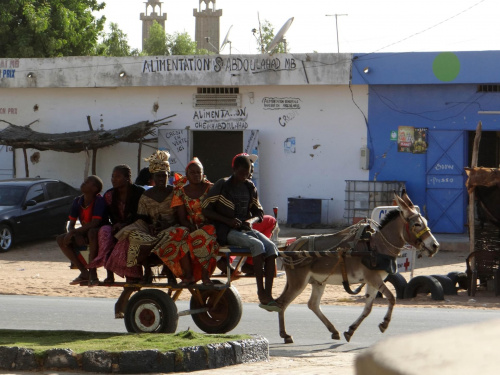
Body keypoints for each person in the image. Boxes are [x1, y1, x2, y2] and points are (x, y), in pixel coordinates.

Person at [202, 153, 281, 312]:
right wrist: (227, 220)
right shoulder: (222, 185)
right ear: (234, 169)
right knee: (257, 245)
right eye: (242, 173)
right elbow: (206, 209)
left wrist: (249, 221)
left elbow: (259, 213)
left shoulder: (250, 187)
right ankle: (261, 293)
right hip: (225, 231)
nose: (245, 176)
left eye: (248, 173)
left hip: (245, 229)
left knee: (271, 248)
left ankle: (268, 294)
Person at [87, 165, 145, 284]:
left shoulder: (139, 193)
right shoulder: (109, 195)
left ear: (127, 178)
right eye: (112, 176)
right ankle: (109, 274)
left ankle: (132, 273)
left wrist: (125, 224)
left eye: (117, 176)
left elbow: (142, 214)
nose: (113, 179)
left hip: (135, 225)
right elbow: (104, 217)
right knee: (104, 231)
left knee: (129, 235)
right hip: (116, 226)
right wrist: (112, 226)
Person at [167, 157, 219, 286]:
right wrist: (190, 226)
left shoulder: (211, 188)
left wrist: (204, 224)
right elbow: (182, 218)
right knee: (179, 234)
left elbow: (218, 210)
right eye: (193, 172)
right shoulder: (180, 192)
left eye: (198, 172)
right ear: (187, 175)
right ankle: (188, 275)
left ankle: (205, 276)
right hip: (190, 225)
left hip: (209, 224)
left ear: (203, 174)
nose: (196, 175)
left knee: (205, 233)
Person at [57, 175, 108, 285]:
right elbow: (71, 224)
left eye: (87, 182)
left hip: (98, 233)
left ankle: (93, 272)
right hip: (83, 233)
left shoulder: (99, 201)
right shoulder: (77, 201)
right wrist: (73, 234)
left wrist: (75, 232)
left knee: (92, 232)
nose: (83, 183)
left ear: (94, 189)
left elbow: (95, 223)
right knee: (61, 239)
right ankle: (84, 272)